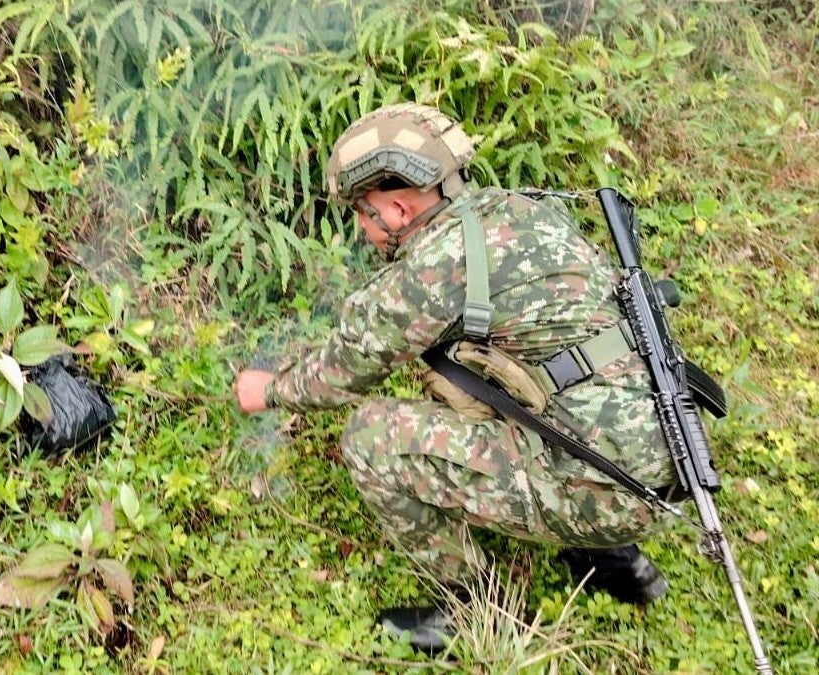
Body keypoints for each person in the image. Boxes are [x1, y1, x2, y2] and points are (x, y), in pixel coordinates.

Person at [232, 103, 674, 652]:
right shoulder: (515, 209)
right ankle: (614, 556)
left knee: (370, 437)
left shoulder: (429, 273)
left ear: (396, 208)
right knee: (461, 372)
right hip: (662, 455)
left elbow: (340, 374)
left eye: (362, 215)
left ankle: (475, 605)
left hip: (607, 488)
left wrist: (269, 390)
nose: (362, 230)